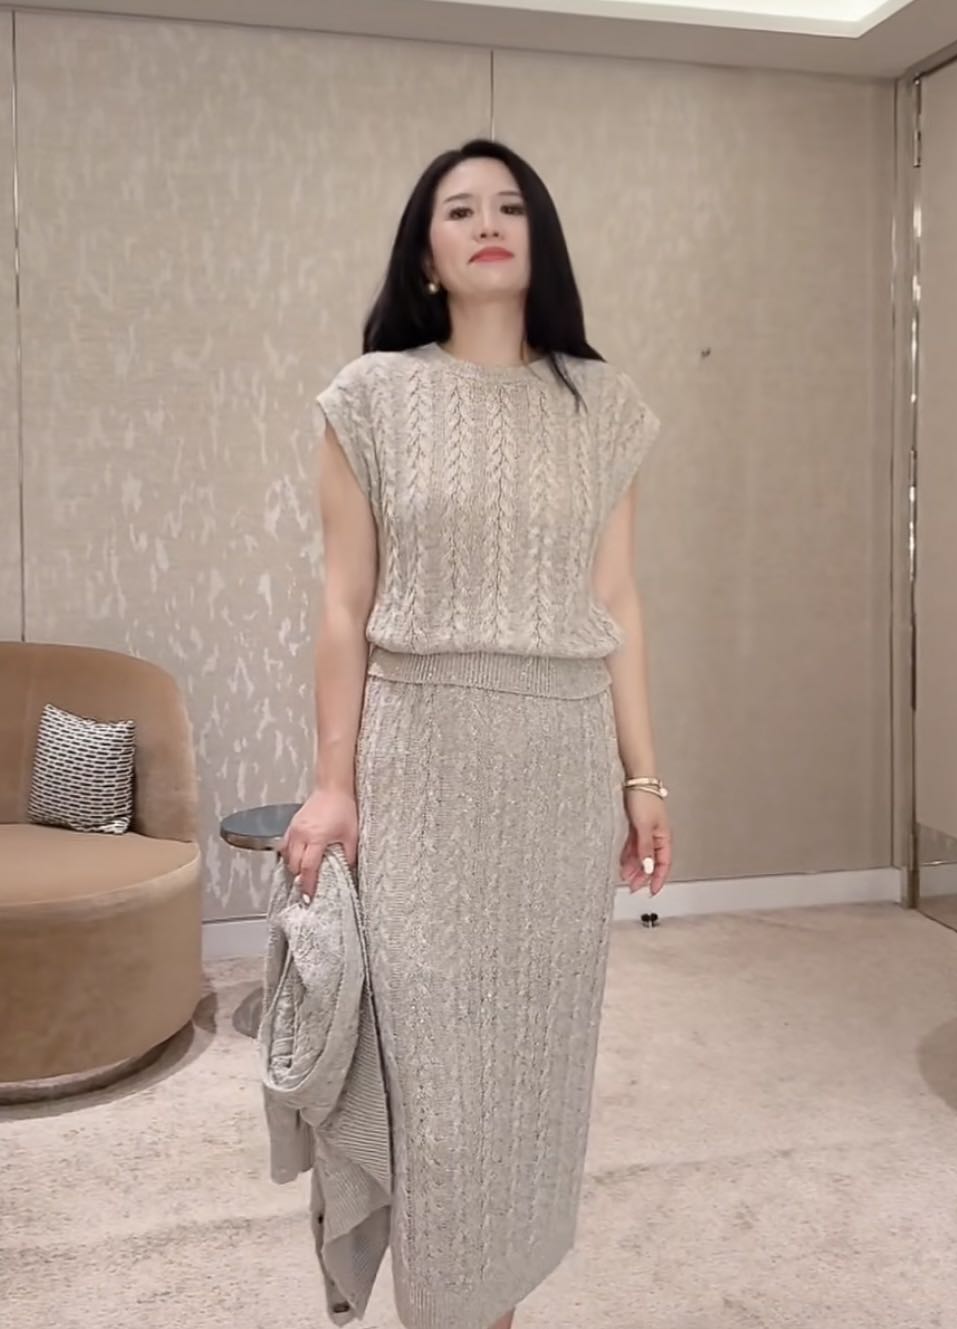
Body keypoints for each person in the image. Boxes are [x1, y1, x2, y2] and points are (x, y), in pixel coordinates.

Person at [280, 137, 672, 1329]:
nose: (487, 223)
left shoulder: (603, 405)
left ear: (539, 241)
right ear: (427, 255)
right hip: (421, 767)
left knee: (527, 1087)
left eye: (510, 206)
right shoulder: (370, 397)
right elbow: (344, 603)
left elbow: (616, 602)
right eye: (459, 210)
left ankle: (490, 1307)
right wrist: (332, 783)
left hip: (557, 770)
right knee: (439, 1093)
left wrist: (644, 778)